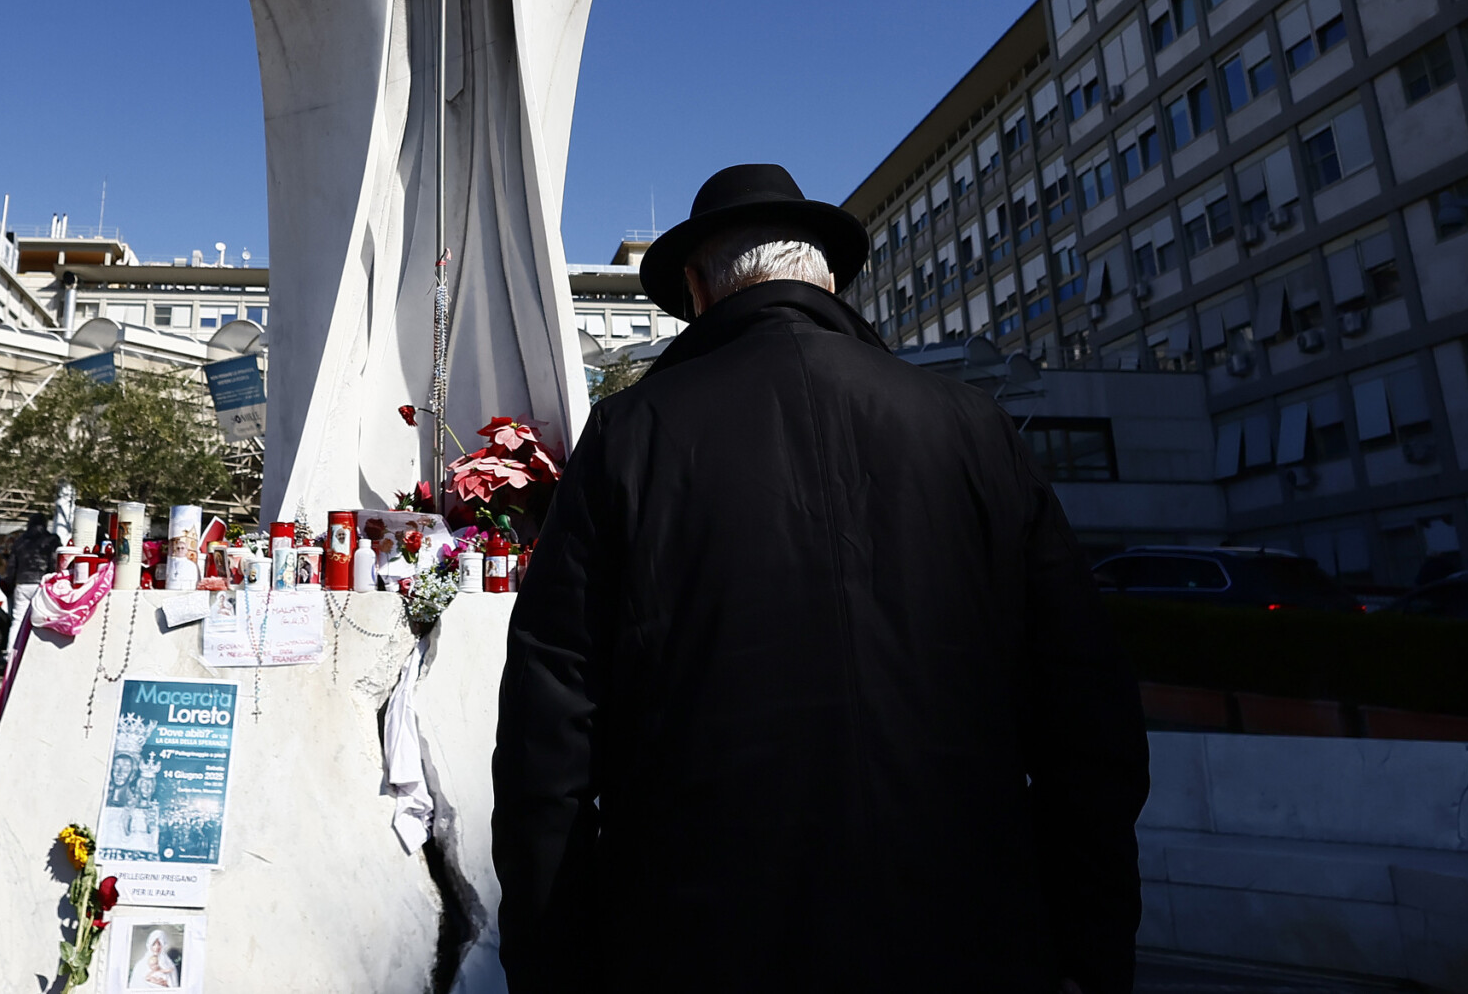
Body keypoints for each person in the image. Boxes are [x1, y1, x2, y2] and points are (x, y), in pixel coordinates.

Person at [493, 164, 1150, 994]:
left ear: (698, 288)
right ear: (830, 279)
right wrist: (1092, 955)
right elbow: (1087, 718)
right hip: (972, 938)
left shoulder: (629, 437)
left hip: (698, 946)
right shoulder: (971, 426)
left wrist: (551, 970)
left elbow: (546, 748)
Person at [239, 0, 610, 519]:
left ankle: (505, 477)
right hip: (374, 126)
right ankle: (349, 489)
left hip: (483, 115)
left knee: (491, 271)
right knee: (374, 277)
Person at [3, 513, 60, 665]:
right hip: (41, 583)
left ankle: (10, 656)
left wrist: (9, 584)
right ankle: (35, 657)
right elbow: (54, 563)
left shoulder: (20, 541)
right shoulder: (52, 540)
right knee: (41, 619)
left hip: (22, 583)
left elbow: (12, 566)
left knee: (17, 620)